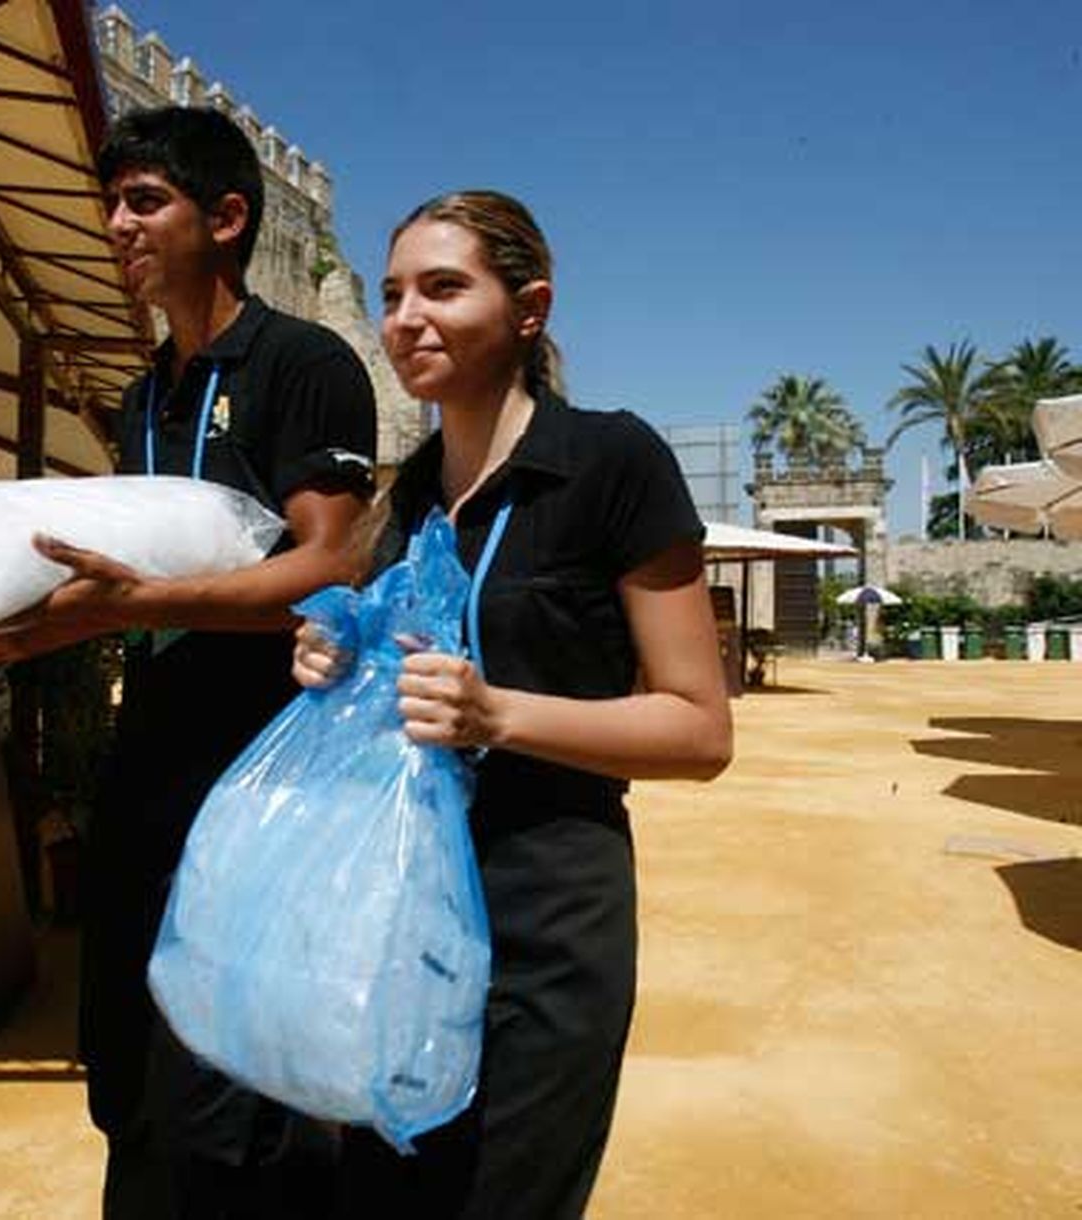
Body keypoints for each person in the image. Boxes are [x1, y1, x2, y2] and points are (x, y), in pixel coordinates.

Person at [0, 106, 378, 1217]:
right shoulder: (147, 394)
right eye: (112, 203)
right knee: (128, 1066)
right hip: (150, 769)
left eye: (144, 201)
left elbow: (330, 565)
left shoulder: (305, 363)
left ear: (229, 216)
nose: (115, 225)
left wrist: (127, 606)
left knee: (240, 1093)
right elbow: (133, 572)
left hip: (269, 778)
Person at [292, 191, 734, 1218]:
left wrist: (498, 715)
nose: (407, 316)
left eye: (444, 287)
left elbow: (697, 727)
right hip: (401, 908)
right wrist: (335, 662)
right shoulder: (401, 504)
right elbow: (398, 690)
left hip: (546, 912)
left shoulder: (608, 462)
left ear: (529, 309)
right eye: (395, 292)